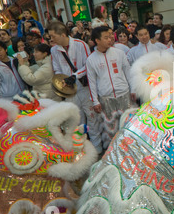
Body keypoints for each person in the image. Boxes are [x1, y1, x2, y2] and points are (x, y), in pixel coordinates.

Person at [47, 21, 103, 153]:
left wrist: (75, 76)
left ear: (62, 34)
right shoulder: (54, 50)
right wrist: (61, 82)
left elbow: (88, 64)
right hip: (68, 91)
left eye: (53, 36)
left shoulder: (80, 44)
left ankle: (97, 149)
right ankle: (82, 149)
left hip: (84, 87)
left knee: (92, 118)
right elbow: (56, 68)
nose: (51, 39)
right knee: (76, 120)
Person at [86, 26, 133, 149]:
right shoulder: (91, 59)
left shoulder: (119, 53)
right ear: (97, 40)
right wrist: (95, 101)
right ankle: (115, 151)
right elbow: (91, 82)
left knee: (128, 123)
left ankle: (131, 148)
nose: (110, 39)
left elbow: (128, 72)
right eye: (106, 37)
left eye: (111, 36)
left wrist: (133, 89)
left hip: (124, 94)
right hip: (106, 97)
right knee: (111, 127)